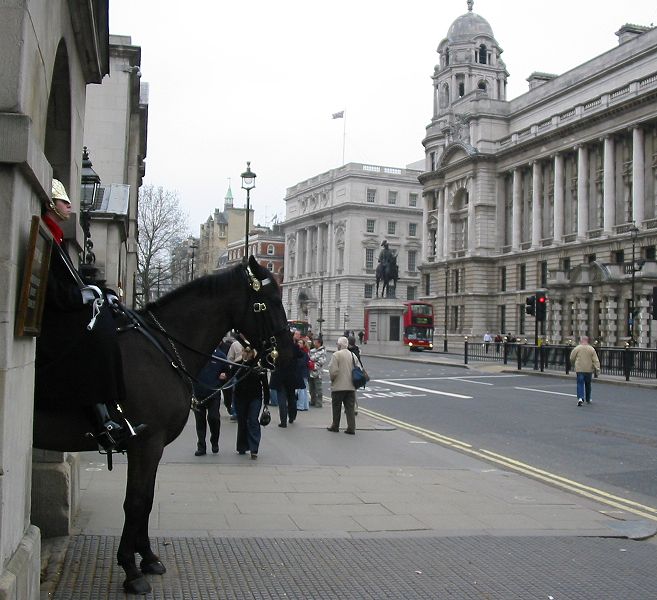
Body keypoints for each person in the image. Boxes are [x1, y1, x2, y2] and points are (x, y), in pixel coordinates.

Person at [35, 179, 142, 452]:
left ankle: (111, 412)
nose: (70, 206)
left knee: (106, 326)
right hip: (52, 321)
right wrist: (82, 296)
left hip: (61, 313)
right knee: (96, 339)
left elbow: (73, 280)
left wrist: (101, 291)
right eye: (64, 202)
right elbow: (52, 289)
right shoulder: (45, 236)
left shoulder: (55, 236)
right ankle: (103, 422)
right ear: (51, 204)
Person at [231, 346, 269, 459]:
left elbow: (265, 385)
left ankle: (254, 448)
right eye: (244, 351)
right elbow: (232, 377)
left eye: (248, 352)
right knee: (242, 421)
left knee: (253, 420)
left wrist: (266, 403)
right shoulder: (238, 364)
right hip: (240, 397)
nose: (246, 354)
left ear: (253, 353)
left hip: (255, 397)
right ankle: (242, 446)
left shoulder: (259, 367)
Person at [192, 347, 229, 456]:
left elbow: (227, 372)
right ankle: (201, 446)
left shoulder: (220, 356)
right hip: (199, 393)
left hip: (213, 393)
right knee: (200, 421)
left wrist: (224, 376)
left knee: (214, 418)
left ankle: (214, 440)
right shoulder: (197, 354)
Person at [269, 341, 304, 427]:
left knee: (281, 399)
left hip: (279, 376)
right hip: (291, 376)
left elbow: (270, 359)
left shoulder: (276, 347)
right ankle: (292, 416)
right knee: (291, 397)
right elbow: (301, 355)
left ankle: (283, 421)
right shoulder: (293, 346)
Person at [327, 337, 357, 435]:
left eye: (337, 344)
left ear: (339, 345)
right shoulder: (352, 355)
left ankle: (335, 426)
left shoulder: (336, 355)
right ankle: (351, 427)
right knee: (350, 408)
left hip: (338, 386)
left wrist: (332, 379)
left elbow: (333, 371)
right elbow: (358, 368)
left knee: (336, 407)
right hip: (351, 386)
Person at [569, 336, 601, 407]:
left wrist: (573, 363)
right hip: (589, 369)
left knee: (580, 383)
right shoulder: (591, 349)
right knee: (588, 384)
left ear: (581, 340)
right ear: (587, 341)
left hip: (579, 369)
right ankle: (588, 398)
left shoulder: (577, 348)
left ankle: (580, 398)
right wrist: (597, 368)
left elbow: (572, 357)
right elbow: (595, 360)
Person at [225, 335, 244, 420]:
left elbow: (229, 359)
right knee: (235, 392)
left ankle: (237, 412)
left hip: (239, 371)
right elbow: (230, 359)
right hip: (237, 371)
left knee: (236, 392)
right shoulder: (235, 345)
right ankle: (236, 412)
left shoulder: (235, 344)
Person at [308, 337, 326, 407]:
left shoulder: (323, 351)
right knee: (311, 388)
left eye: (315, 342)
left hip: (318, 373)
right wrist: (311, 361)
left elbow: (321, 362)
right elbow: (308, 358)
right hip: (310, 372)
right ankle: (313, 401)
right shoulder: (312, 350)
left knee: (318, 389)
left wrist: (313, 364)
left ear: (319, 343)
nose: (314, 343)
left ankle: (319, 403)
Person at [296, 338, 311, 411]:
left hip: (301, 372)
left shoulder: (303, 352)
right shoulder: (305, 352)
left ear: (303, 344)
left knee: (301, 390)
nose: (299, 344)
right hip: (304, 372)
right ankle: (306, 405)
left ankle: (301, 405)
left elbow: (301, 363)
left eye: (300, 343)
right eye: (298, 342)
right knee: (304, 390)